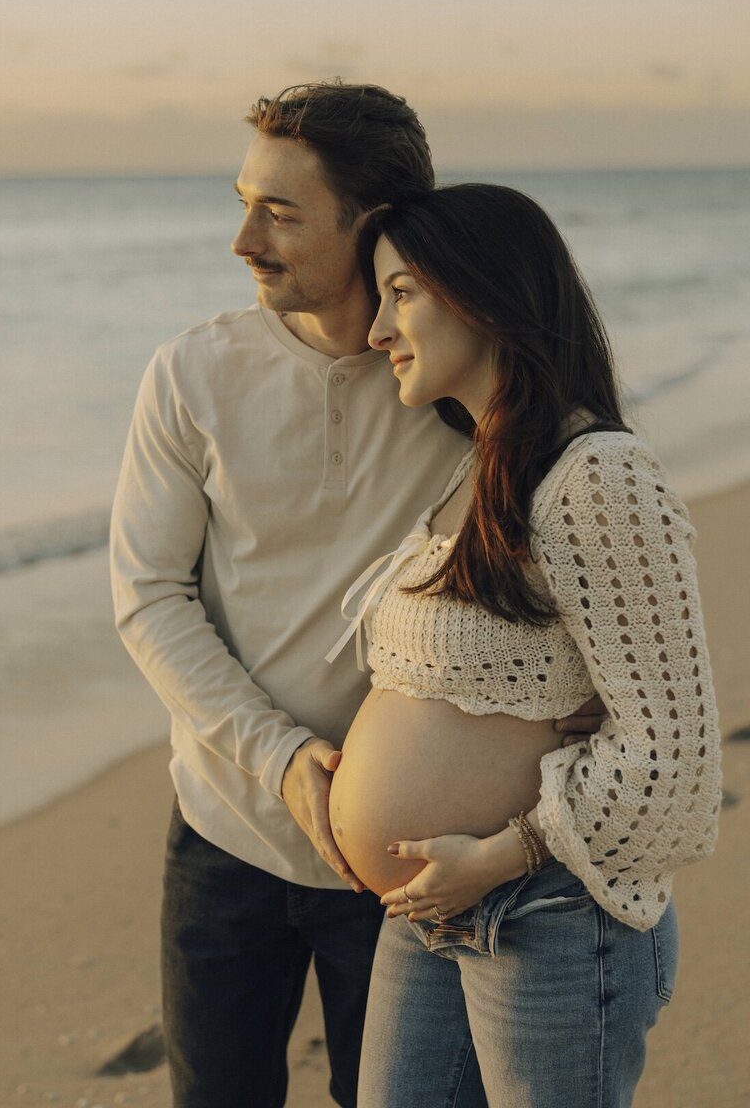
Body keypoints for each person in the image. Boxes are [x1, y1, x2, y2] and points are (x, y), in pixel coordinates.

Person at [110, 84, 606, 1108]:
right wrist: (282, 759)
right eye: (243, 202)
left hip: (415, 869)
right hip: (225, 828)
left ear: (373, 225)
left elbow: (572, 596)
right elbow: (150, 593)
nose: (243, 239)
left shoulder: (460, 392)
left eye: (281, 212)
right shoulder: (192, 374)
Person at [324, 184, 722, 1108]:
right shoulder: (481, 464)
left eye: (403, 293)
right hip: (435, 910)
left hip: (545, 914)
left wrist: (505, 851)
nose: (378, 329)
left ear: (487, 294)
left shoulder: (598, 477)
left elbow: (678, 762)